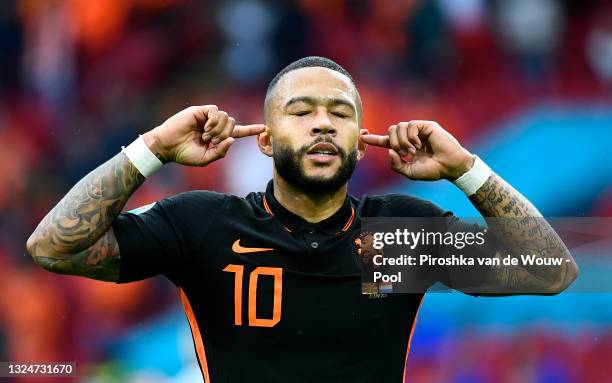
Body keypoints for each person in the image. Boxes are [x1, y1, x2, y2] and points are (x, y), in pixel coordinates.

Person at [26, 56, 578, 382]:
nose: (322, 124)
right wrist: (151, 149)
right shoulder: (205, 224)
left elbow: (550, 269)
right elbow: (53, 246)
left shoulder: (393, 236)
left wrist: (466, 169)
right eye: (301, 112)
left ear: (362, 144)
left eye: (340, 114)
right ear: (264, 140)